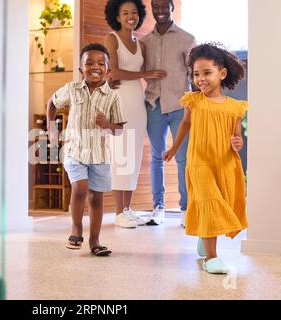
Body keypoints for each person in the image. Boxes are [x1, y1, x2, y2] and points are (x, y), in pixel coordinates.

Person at [163, 42, 248, 274]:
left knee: (222, 203)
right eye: (196, 74)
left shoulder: (234, 107)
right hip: (199, 162)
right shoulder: (194, 101)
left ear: (221, 74)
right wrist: (173, 148)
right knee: (209, 202)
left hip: (223, 163)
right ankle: (212, 257)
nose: (200, 79)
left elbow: (236, 137)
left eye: (206, 73)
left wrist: (237, 143)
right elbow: (186, 123)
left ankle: (205, 235)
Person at [46, 43, 127, 256]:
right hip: (75, 152)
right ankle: (76, 229)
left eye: (101, 63)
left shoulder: (113, 97)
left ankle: (95, 240)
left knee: (96, 198)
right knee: (80, 188)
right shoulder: (72, 89)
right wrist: (51, 128)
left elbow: (119, 129)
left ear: (108, 71)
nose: (95, 67)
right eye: (89, 63)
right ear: (81, 69)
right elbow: (52, 104)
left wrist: (107, 125)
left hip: (99, 155)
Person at [104, 0, 167, 229]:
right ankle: (118, 211)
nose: (130, 16)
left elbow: (124, 73)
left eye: (134, 12)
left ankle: (128, 210)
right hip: (118, 101)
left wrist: (138, 74)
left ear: (139, 15)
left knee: (133, 156)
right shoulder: (111, 39)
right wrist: (146, 73)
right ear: (117, 17)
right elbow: (113, 72)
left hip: (137, 103)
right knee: (119, 155)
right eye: (125, 13)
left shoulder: (141, 44)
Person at [141, 0, 195, 226]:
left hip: (179, 107)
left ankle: (185, 209)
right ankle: (158, 207)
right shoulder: (143, 42)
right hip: (153, 105)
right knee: (156, 158)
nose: (161, 11)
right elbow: (137, 70)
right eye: (156, 6)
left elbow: (193, 74)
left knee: (182, 159)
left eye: (165, 6)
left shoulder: (187, 38)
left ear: (172, 7)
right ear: (152, 8)